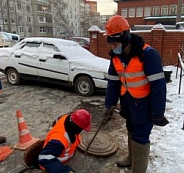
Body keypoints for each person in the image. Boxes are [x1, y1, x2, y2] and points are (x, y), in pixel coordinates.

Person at [103, 15, 169, 173]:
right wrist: (109, 105)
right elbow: (113, 83)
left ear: (125, 38)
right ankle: (132, 159)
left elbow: (159, 86)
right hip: (128, 103)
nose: (113, 47)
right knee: (131, 129)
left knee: (140, 136)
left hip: (145, 106)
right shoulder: (116, 58)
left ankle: (138, 170)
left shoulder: (147, 55)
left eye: (116, 43)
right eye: (111, 43)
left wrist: (157, 112)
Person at [38, 109, 92, 173]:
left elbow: (56, 122)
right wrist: (65, 171)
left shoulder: (68, 118)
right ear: (76, 127)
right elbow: (43, 157)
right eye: (81, 129)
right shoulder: (59, 141)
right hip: (53, 166)